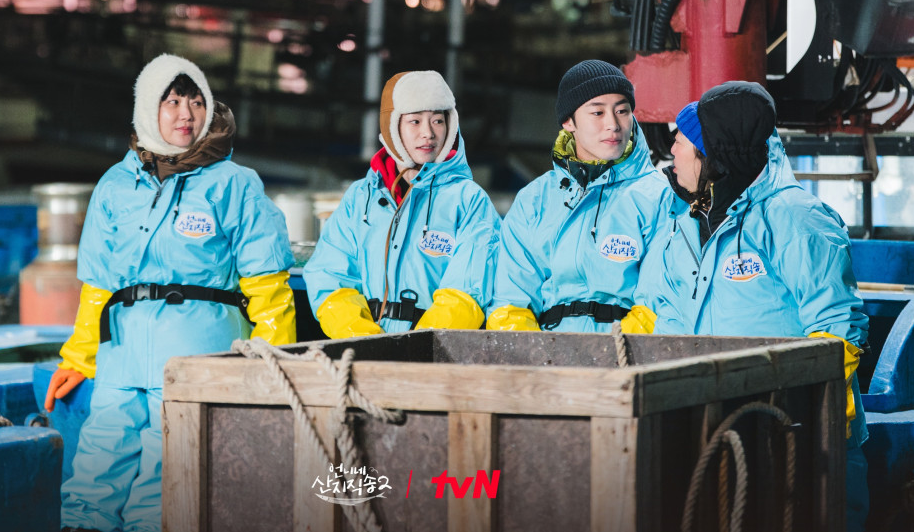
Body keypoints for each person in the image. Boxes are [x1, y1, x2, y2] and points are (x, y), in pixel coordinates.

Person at [43, 53, 297, 532]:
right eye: (173, 102)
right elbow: (99, 284)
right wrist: (79, 358)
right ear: (147, 108)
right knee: (97, 465)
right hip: (120, 355)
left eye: (197, 102)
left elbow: (268, 285)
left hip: (196, 356)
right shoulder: (115, 185)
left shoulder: (234, 184)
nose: (186, 115)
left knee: (166, 477)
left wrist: (272, 364)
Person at [624, 81, 869, 530]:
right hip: (708, 428)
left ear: (714, 154)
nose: (672, 151)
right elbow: (660, 314)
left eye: (683, 141)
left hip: (793, 436)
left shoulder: (795, 218)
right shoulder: (681, 224)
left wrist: (810, 413)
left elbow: (838, 329)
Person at [303, 70, 501, 337]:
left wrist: (421, 347)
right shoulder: (360, 198)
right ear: (392, 127)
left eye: (438, 121)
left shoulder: (469, 201)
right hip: (363, 350)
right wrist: (364, 341)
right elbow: (331, 278)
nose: (428, 133)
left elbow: (467, 292)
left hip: (434, 352)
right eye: (415, 121)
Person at [486, 60, 668, 332]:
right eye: (597, 112)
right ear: (568, 122)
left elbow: (660, 299)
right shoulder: (534, 199)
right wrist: (532, 353)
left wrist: (618, 351)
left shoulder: (658, 196)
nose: (613, 124)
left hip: (624, 348)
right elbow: (511, 301)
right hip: (547, 349)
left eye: (622, 111)